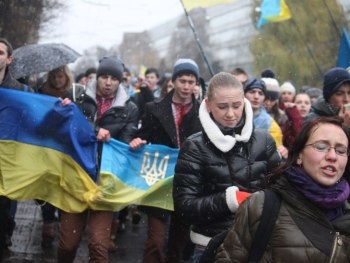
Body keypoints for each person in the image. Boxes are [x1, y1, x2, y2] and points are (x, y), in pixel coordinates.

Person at [173, 72, 281, 262]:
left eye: (236, 105)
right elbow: (184, 208)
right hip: (210, 246)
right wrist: (228, 200)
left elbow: (282, 190)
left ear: (244, 101)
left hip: (259, 244)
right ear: (208, 105)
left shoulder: (265, 140)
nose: (230, 114)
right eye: (222, 107)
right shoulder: (194, 146)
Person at [216, 116, 350, 262]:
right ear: (299, 155)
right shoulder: (263, 204)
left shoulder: (346, 211)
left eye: (341, 150)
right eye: (321, 147)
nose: (332, 156)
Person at [57, 56, 139, 263]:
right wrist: (62, 111)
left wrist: (134, 143)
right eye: (104, 77)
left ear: (120, 81)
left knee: (98, 246)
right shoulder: (77, 96)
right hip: (76, 178)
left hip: (105, 183)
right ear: (98, 78)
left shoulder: (130, 109)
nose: (108, 82)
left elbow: (125, 143)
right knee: (68, 245)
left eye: (114, 78)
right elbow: (65, 128)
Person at [129, 58, 202, 263]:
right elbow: (143, 136)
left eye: (191, 81)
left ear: (196, 83)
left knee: (177, 247)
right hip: (159, 180)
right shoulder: (154, 109)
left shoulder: (205, 113)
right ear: (174, 81)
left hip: (188, 184)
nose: (186, 86)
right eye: (182, 80)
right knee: (155, 242)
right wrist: (137, 141)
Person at [0, 37, 33, 260]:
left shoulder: (22, 92)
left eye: (0, 53)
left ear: (9, 59)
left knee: (3, 214)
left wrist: (61, 108)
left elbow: (37, 117)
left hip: (7, 162)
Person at [243, 77, 283, 148]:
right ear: (244, 94)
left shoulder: (270, 124)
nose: (256, 96)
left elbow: (274, 154)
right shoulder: (231, 117)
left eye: (260, 93)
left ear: (264, 98)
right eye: (252, 92)